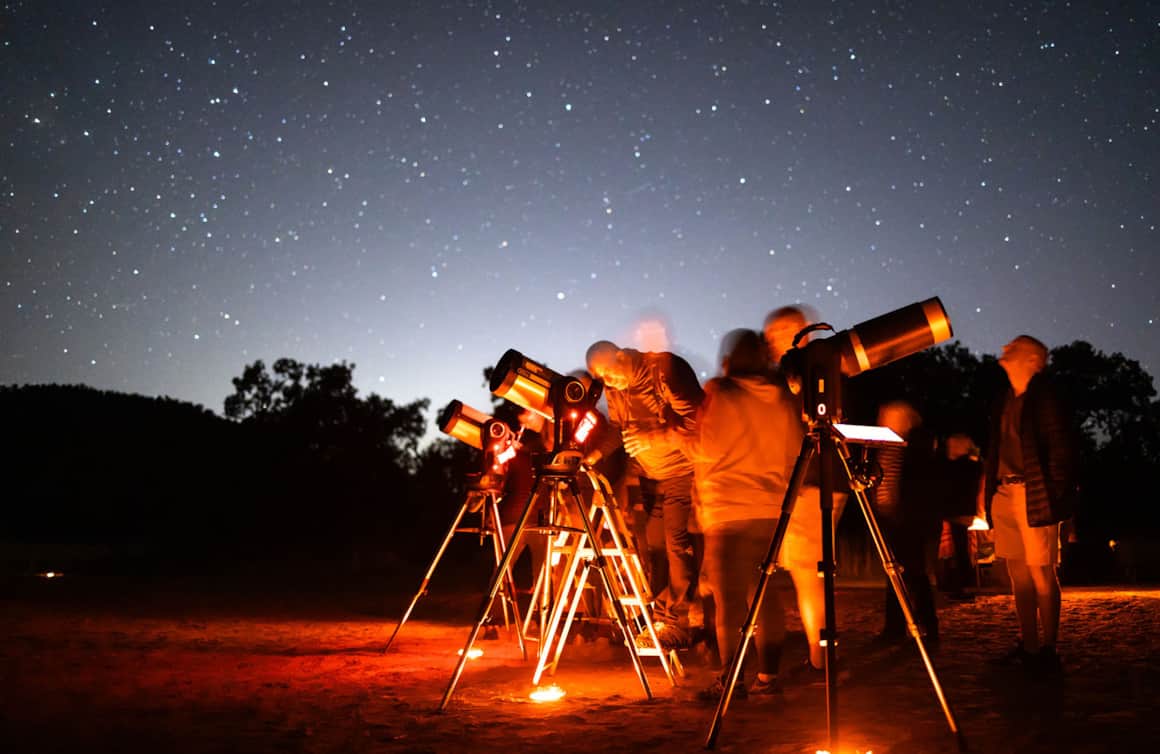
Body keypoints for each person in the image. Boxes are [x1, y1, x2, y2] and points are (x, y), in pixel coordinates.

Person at [683, 329, 801, 699]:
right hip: (769, 510)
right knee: (765, 596)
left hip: (728, 509)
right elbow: (796, 448)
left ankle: (731, 681)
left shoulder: (722, 393)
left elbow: (707, 448)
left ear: (729, 359)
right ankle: (768, 676)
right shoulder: (782, 397)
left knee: (730, 603)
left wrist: (678, 436)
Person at [586, 339, 704, 647]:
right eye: (601, 378)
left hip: (683, 470)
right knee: (653, 545)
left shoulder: (664, 370)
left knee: (676, 543)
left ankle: (677, 622)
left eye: (609, 372)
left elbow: (699, 421)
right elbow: (616, 429)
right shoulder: (616, 389)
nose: (607, 382)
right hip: (651, 477)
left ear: (622, 355)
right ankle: (663, 616)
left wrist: (653, 438)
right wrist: (595, 456)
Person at [979, 335, 1079, 674]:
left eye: (1014, 347)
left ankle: (1049, 650)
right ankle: (1029, 645)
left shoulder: (1046, 398)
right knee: (1018, 573)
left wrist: (1056, 497)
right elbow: (995, 450)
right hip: (1005, 492)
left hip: (1034, 493)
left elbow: (1061, 452)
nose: (1005, 347)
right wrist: (987, 494)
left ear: (1033, 360)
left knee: (1041, 570)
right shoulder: (1004, 399)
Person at [762, 304, 849, 675]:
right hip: (822, 481)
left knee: (808, 575)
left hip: (808, 485)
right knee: (814, 574)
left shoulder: (799, 373)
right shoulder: (826, 365)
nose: (771, 340)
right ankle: (821, 654)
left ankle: (821, 658)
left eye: (778, 332)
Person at [872, 401, 941, 644]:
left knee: (914, 573)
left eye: (888, 417)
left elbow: (919, 486)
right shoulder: (885, 445)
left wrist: (907, 513)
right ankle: (895, 627)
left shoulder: (915, 447)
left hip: (908, 519)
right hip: (888, 517)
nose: (882, 420)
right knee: (894, 574)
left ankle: (928, 628)